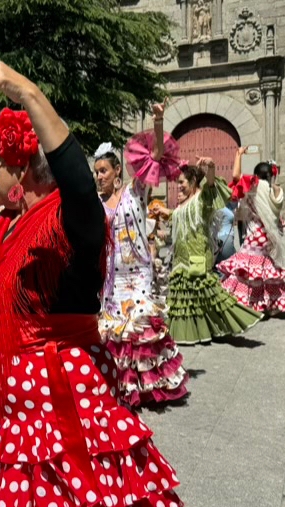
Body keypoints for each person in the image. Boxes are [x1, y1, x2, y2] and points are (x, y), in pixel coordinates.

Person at [0, 60, 209, 507]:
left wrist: (27, 91)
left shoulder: (70, 218)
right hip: (17, 406)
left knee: (79, 505)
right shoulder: (7, 224)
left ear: (21, 172)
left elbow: (79, 182)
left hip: (64, 392)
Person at [96, 102, 188, 408]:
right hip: (113, 278)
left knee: (142, 328)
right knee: (118, 331)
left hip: (139, 274)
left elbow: (157, 157)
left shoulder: (135, 191)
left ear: (117, 170)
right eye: (96, 172)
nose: (99, 177)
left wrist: (158, 121)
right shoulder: (96, 203)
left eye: (104, 171)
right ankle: (122, 387)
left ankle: (150, 387)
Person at [153, 160, 262, 345]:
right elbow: (179, 216)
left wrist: (211, 168)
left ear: (193, 181)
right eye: (178, 183)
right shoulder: (181, 205)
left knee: (210, 297)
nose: (178, 186)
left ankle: (237, 320)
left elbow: (211, 186)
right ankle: (190, 332)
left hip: (197, 256)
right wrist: (165, 211)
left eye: (182, 182)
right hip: (180, 260)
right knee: (187, 301)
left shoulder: (202, 200)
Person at [218, 159, 285, 316]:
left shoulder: (254, 186)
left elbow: (236, 177)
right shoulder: (276, 190)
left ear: (256, 175)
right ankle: (268, 303)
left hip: (255, 233)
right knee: (264, 272)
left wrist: (238, 155)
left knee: (247, 270)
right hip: (268, 235)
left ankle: (250, 302)